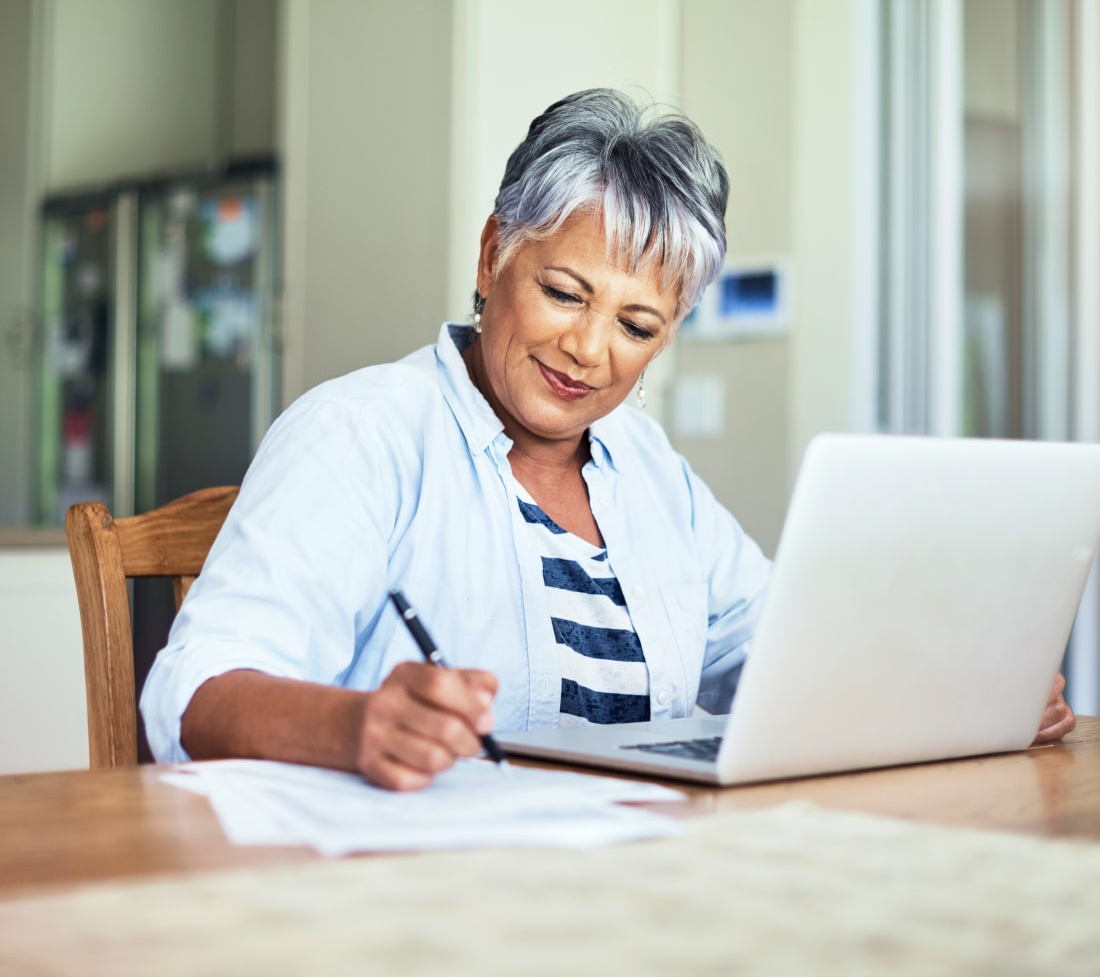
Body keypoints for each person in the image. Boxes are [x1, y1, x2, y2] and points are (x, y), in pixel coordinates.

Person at [141, 88, 1075, 791]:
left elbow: (771, 652)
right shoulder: (361, 434)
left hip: (638, 882)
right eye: (564, 293)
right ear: (492, 254)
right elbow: (192, 694)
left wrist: (962, 688)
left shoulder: (646, 463)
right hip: (416, 901)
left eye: (638, 326)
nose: (589, 353)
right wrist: (355, 727)